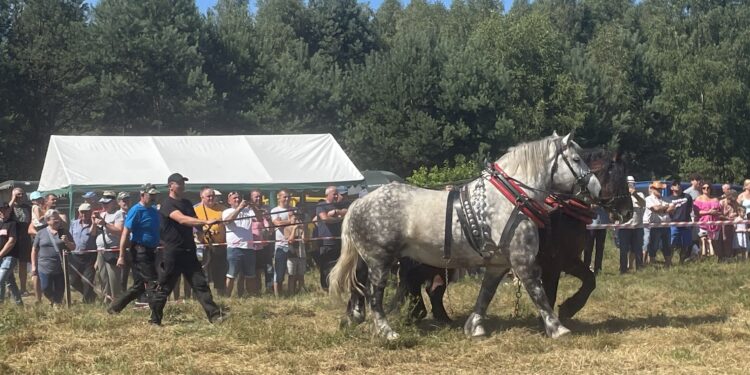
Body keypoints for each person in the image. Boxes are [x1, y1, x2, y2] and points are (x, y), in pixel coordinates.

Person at [151, 173, 227, 325]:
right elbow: (182, 219)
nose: (182, 186)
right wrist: (206, 221)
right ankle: (154, 320)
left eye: (183, 183)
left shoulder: (186, 203)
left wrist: (205, 235)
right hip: (173, 252)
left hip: (189, 251)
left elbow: (196, 225)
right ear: (170, 186)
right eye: (179, 183)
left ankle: (214, 315)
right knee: (165, 286)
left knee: (200, 284)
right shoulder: (167, 204)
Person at [108, 184, 161, 322]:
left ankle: (114, 308)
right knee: (152, 283)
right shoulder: (135, 210)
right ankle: (155, 318)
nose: (154, 197)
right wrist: (121, 256)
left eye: (155, 195)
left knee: (138, 287)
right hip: (140, 251)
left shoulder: (154, 211)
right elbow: (125, 233)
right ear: (142, 195)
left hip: (151, 251)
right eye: (151, 195)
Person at [31, 210, 75, 306]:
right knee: (45, 288)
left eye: (58, 219)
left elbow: (73, 247)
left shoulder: (64, 232)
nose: (58, 221)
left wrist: (67, 242)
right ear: (47, 221)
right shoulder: (41, 233)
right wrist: (34, 266)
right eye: (55, 219)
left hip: (61, 267)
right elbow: (34, 250)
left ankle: (57, 304)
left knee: (60, 289)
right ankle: (53, 301)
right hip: (44, 267)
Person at [222, 191, 258, 297]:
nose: (237, 200)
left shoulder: (249, 211)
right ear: (229, 201)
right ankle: (227, 297)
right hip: (234, 248)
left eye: (239, 198)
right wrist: (239, 208)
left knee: (250, 275)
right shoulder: (226, 211)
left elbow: (259, 218)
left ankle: (251, 298)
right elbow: (227, 221)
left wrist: (253, 206)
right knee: (231, 274)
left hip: (249, 247)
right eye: (234, 198)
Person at [194, 186, 228, 297]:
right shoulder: (195, 209)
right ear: (202, 197)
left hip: (219, 246)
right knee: (202, 273)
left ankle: (220, 295)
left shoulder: (223, 209)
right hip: (202, 246)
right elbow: (192, 226)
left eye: (213, 196)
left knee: (220, 272)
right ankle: (202, 296)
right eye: (208, 196)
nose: (211, 198)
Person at [315, 186, 347, 290]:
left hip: (338, 240)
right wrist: (337, 218)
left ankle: (337, 285)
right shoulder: (321, 205)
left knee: (338, 264)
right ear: (327, 195)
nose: (337, 196)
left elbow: (346, 212)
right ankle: (325, 287)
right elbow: (325, 219)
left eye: (337, 194)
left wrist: (337, 212)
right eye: (334, 194)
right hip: (326, 241)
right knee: (326, 266)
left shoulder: (338, 205)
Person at [95, 191, 123, 301]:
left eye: (106, 203)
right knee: (102, 276)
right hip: (101, 250)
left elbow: (119, 230)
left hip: (112, 250)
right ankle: (106, 299)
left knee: (113, 277)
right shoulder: (103, 214)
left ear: (114, 202)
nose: (104, 205)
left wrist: (105, 224)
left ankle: (116, 300)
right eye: (103, 203)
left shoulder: (118, 214)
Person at [68, 203, 98, 303]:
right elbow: (70, 238)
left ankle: (87, 301)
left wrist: (94, 223)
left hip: (89, 256)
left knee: (87, 281)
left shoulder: (94, 224)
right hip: (75, 256)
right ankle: (91, 295)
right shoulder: (73, 223)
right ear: (79, 212)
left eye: (86, 212)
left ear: (90, 212)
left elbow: (93, 234)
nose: (84, 214)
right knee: (73, 281)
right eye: (82, 212)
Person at [618, 177, 646, 274]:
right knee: (623, 250)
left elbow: (643, 203)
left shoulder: (640, 194)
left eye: (632, 183)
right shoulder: (620, 196)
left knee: (638, 249)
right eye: (629, 183)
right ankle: (623, 269)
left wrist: (634, 194)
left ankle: (639, 268)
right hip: (625, 227)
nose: (631, 185)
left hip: (638, 227)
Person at [9, 187, 33, 296]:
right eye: (18, 194)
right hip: (13, 237)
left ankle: (23, 289)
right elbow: (6, 214)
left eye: (22, 194)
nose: (21, 196)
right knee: (10, 264)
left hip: (25, 238)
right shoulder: (9, 206)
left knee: (23, 264)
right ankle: (10, 289)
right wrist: (13, 199)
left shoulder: (28, 207)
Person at [663, 181, 694, 262]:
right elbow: (666, 211)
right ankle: (669, 261)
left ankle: (681, 261)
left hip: (686, 223)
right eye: (675, 185)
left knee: (685, 245)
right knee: (671, 244)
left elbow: (690, 209)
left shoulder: (687, 197)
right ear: (671, 188)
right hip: (673, 224)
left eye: (678, 184)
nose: (677, 186)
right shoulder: (667, 198)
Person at [249, 190, 273, 294]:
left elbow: (271, 227)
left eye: (260, 197)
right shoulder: (248, 210)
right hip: (253, 244)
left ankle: (270, 289)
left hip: (266, 243)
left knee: (268, 267)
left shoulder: (267, 209)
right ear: (251, 198)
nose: (258, 199)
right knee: (255, 269)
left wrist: (269, 220)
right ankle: (256, 291)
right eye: (256, 197)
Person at [0, 200, 23, 306]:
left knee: (1, 279)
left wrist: (0, 254)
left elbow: (11, 241)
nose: (2, 212)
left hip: (9, 256)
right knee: (10, 282)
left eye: (4, 210)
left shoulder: (13, 224)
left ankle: (1, 306)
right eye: (0, 210)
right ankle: (19, 305)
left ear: (9, 210)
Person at [644, 181, 672, 267]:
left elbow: (672, 209)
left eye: (661, 189)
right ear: (652, 189)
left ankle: (668, 264)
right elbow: (655, 209)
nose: (659, 190)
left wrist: (661, 208)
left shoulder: (666, 198)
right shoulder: (648, 199)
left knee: (667, 245)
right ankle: (648, 263)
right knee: (652, 245)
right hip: (653, 226)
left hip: (665, 225)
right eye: (657, 189)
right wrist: (665, 207)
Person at [271, 189, 292, 297]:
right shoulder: (275, 210)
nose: (287, 199)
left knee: (293, 272)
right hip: (280, 245)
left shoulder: (293, 210)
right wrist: (289, 221)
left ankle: (291, 292)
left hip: (293, 244)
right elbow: (277, 223)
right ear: (279, 198)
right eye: (285, 197)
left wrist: (284, 222)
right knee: (279, 272)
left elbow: (296, 222)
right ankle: (277, 296)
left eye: (288, 197)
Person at [694, 182, 721, 259]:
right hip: (702, 223)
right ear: (701, 189)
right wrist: (709, 212)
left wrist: (715, 212)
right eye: (704, 188)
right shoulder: (698, 199)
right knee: (703, 240)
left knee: (714, 242)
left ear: (710, 189)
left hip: (714, 224)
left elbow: (720, 211)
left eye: (708, 187)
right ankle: (702, 258)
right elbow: (697, 212)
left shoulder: (715, 199)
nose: (706, 189)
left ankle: (715, 258)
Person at [284, 209, 307, 295]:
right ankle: (291, 292)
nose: (297, 219)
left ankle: (301, 290)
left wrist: (303, 230)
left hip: (301, 253)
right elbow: (290, 240)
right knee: (292, 275)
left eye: (298, 218)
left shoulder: (302, 227)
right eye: (295, 217)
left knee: (301, 274)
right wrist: (294, 229)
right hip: (291, 253)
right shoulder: (287, 228)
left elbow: (305, 240)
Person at [583, 204, 609, 274]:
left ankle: (598, 269)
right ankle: (586, 268)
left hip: (602, 223)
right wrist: (593, 205)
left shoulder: (605, 196)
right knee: (588, 248)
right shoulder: (590, 195)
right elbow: (587, 205)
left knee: (600, 248)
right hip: (591, 224)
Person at [116, 192, 132, 293]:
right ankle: (123, 294)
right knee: (123, 275)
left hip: (131, 245)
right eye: (123, 200)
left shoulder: (131, 212)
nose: (125, 202)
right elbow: (120, 230)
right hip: (123, 247)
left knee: (135, 273)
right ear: (119, 202)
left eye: (127, 200)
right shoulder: (119, 214)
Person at [719, 190, 742, 261]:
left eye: (733, 200)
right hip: (722, 225)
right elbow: (718, 214)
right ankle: (722, 257)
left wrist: (736, 215)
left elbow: (739, 212)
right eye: (730, 200)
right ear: (727, 197)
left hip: (732, 226)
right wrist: (728, 218)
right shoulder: (721, 202)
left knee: (730, 240)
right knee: (723, 240)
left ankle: (729, 256)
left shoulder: (736, 203)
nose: (731, 202)